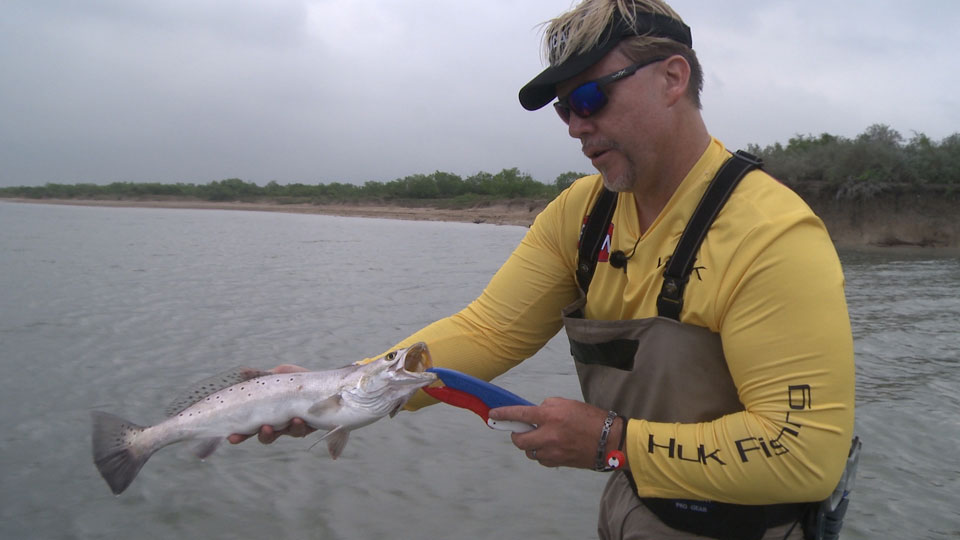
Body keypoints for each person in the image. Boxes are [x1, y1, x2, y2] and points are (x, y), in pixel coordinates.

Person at [231, 1, 855, 538]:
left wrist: (612, 440)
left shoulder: (772, 236)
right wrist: (341, 388)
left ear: (672, 78)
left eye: (590, 96)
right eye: (564, 109)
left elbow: (804, 454)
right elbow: (487, 331)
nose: (577, 126)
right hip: (631, 506)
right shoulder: (582, 215)